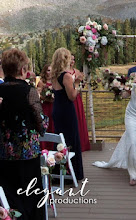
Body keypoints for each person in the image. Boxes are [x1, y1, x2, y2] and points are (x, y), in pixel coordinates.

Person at [93, 53, 136, 186]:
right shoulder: (133, 76)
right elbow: (126, 94)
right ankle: (133, 174)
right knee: (133, 143)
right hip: (132, 114)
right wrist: (118, 89)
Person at [0, 48, 45, 220]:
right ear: (22, 70)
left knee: (10, 198)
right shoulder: (29, 91)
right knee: (30, 197)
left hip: (3, 154)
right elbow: (41, 123)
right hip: (27, 155)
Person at [51, 48, 84, 181]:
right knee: (71, 139)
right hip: (67, 110)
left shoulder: (54, 75)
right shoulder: (66, 76)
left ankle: (59, 172)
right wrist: (77, 82)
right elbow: (72, 96)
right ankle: (73, 173)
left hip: (57, 109)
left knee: (60, 140)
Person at [70, 55, 91, 152]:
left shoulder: (77, 71)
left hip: (76, 97)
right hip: (69, 97)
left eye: (73, 59)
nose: (72, 61)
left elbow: (81, 84)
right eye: (70, 59)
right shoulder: (64, 73)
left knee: (79, 119)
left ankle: (81, 143)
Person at [37, 64, 55, 150]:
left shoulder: (55, 81)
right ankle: (45, 146)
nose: (50, 72)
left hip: (54, 105)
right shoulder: (41, 82)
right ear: (45, 71)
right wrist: (45, 97)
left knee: (53, 125)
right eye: (48, 70)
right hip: (45, 106)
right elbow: (38, 95)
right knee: (46, 125)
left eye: (51, 70)